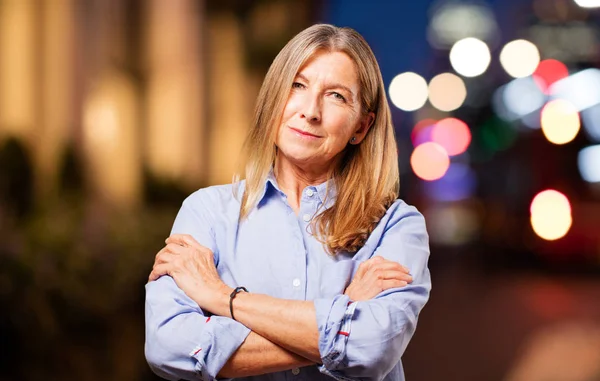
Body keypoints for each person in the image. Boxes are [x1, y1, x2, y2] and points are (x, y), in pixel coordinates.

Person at [145, 23, 431, 381]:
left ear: (361, 126)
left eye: (336, 96)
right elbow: (168, 347)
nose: (310, 111)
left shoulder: (396, 226)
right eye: (298, 85)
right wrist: (341, 319)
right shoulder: (206, 213)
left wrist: (222, 299)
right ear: (274, 96)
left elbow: (372, 349)